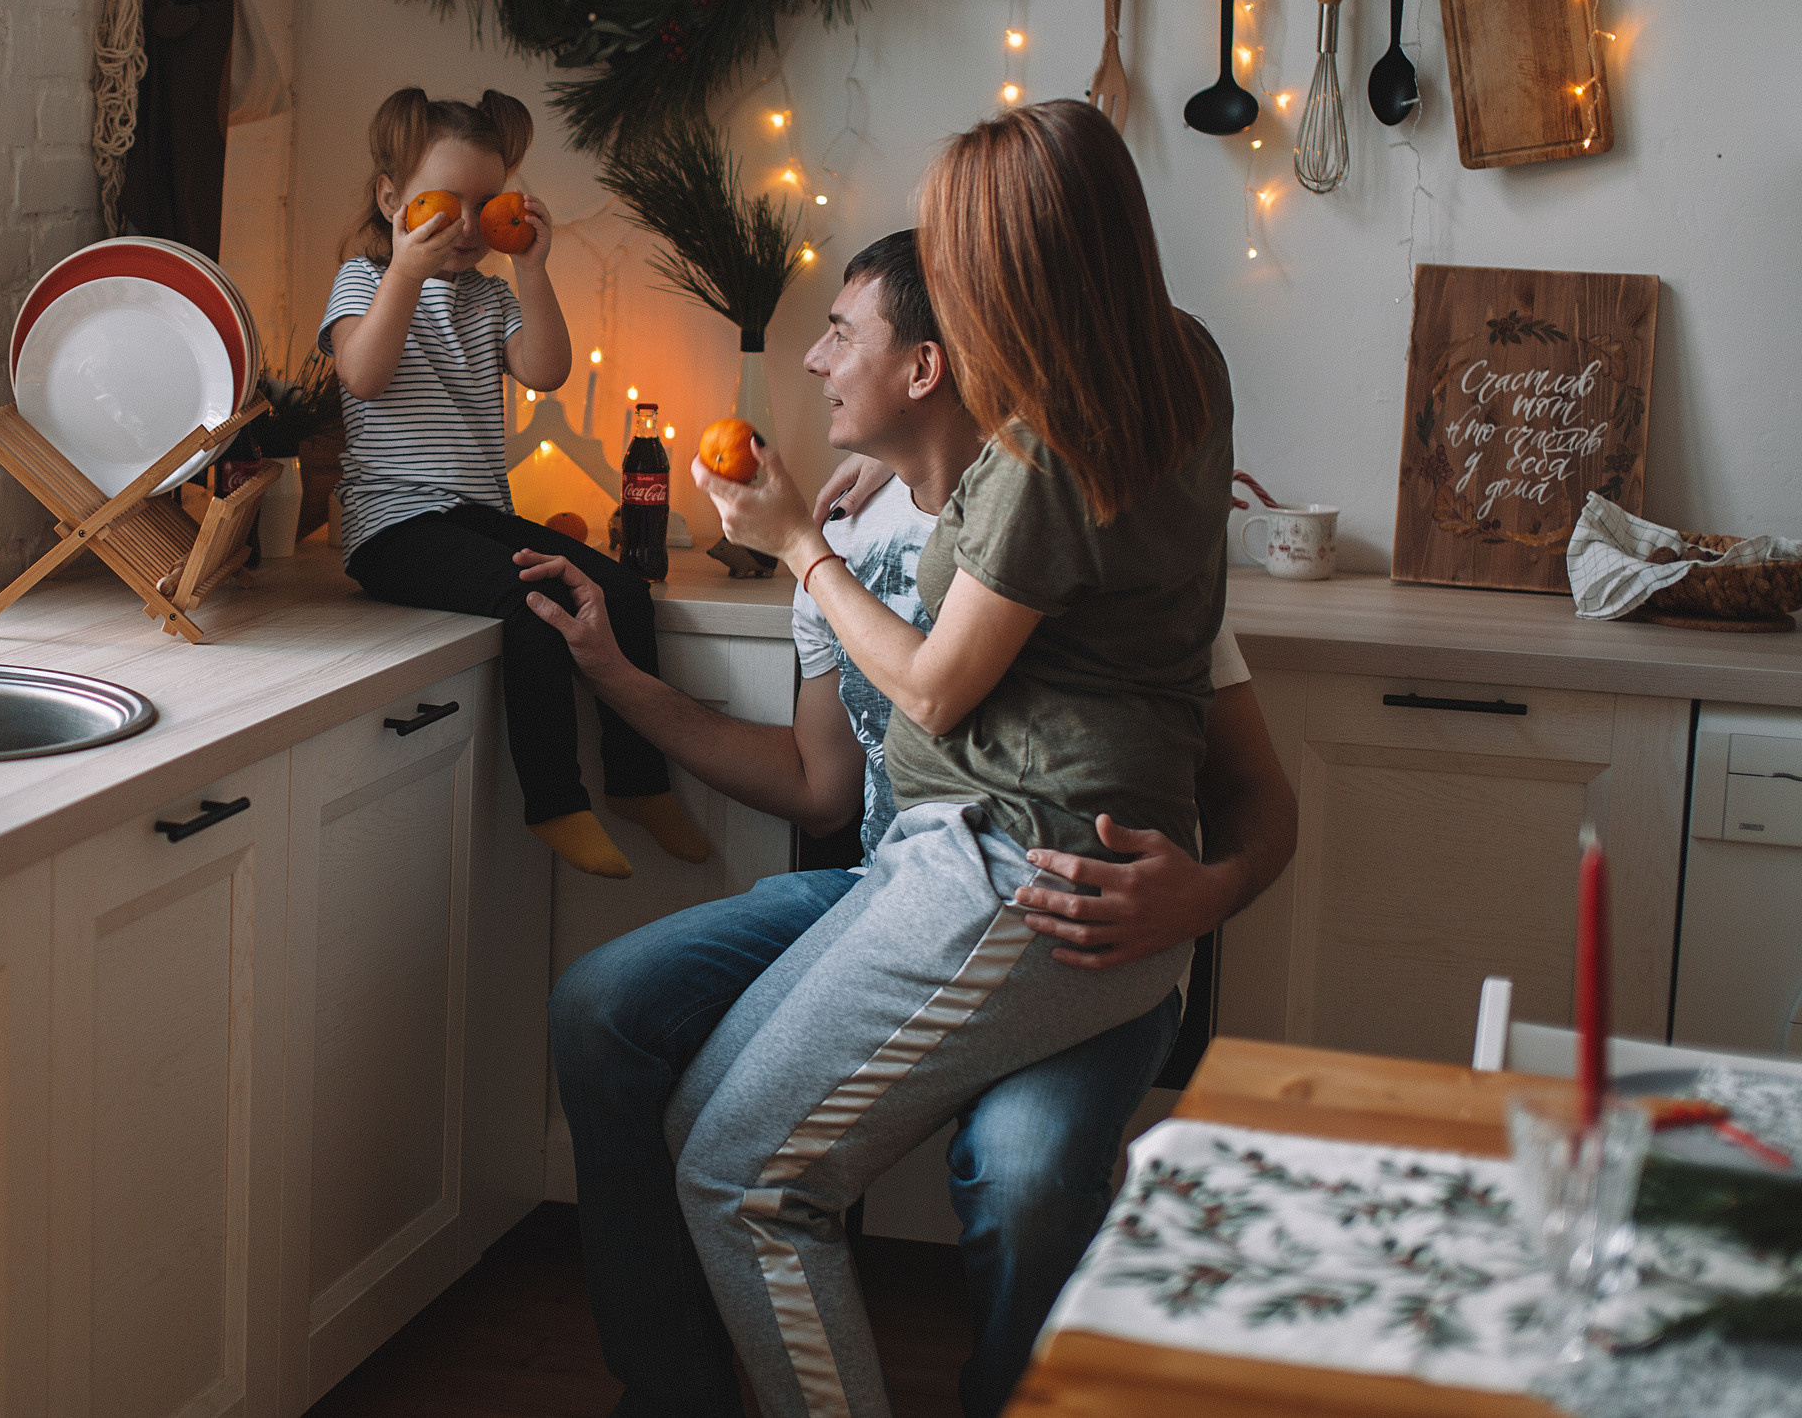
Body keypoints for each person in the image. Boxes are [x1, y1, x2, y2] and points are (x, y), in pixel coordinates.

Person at [526, 227, 1293, 1417]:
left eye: (844, 333)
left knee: (1023, 1168)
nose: (817, 358)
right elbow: (815, 786)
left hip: (1050, 907)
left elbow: (1257, 795)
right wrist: (618, 680)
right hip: (890, 878)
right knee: (603, 1010)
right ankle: (678, 1395)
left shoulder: (1103, 543)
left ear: (926, 368)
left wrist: (1213, 888)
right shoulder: (862, 529)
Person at [667, 99, 1234, 1418]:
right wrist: (928, 476)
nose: (952, 271)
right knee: (707, 1111)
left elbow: (932, 680)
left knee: (739, 1178)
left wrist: (798, 536)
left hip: (1012, 865)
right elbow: (1056, 539)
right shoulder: (1181, 367)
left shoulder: (1042, 452)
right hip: (1023, 845)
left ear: (1021, 266)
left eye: (967, 250)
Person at [321, 86, 711, 880]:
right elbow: (363, 374)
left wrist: (533, 269)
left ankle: (640, 782)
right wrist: (406, 269)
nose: (468, 227)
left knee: (622, 593)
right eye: (444, 203)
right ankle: (556, 801)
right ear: (393, 198)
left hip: (474, 516)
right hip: (393, 527)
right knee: (530, 607)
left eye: (486, 203)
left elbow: (548, 368)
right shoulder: (362, 281)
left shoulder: (491, 295)